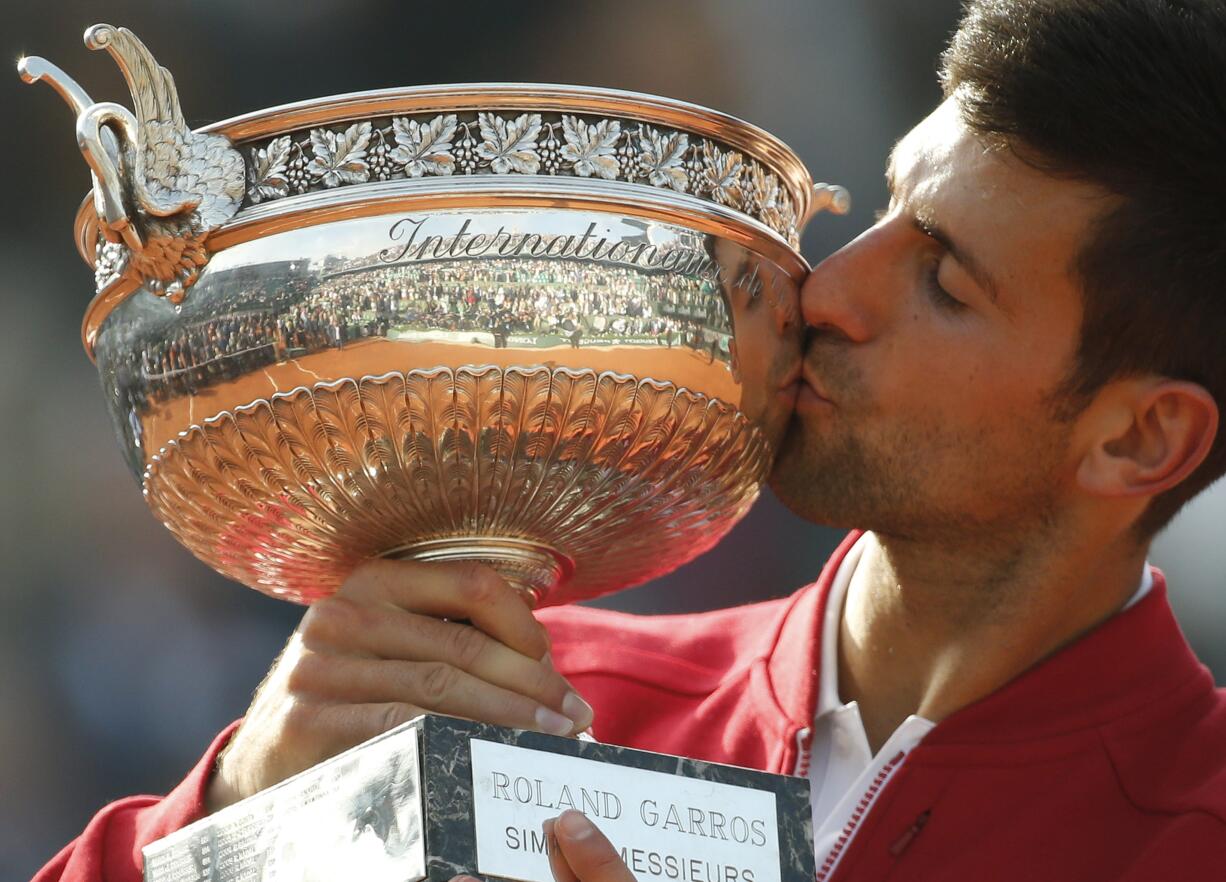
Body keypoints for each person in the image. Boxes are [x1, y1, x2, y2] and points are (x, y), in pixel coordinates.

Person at [34, 1, 1226, 880]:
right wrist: (250, 807)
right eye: (879, 210)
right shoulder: (521, 692)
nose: (826, 290)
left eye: (945, 284)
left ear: (1138, 439)